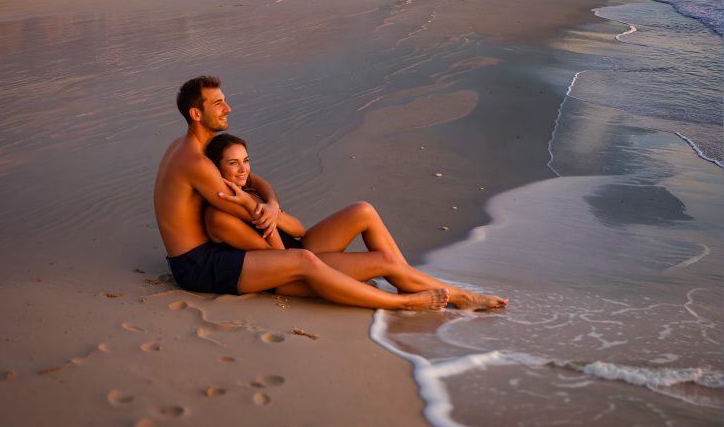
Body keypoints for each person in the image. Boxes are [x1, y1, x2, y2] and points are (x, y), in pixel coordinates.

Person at [154, 76, 506, 311]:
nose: (228, 108)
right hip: (200, 264)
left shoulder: (196, 148)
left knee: (363, 210)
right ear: (196, 113)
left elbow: (252, 184)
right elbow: (248, 212)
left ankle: (409, 281)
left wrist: (270, 202)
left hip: (256, 243)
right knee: (305, 259)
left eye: (225, 101)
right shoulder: (196, 163)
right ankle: (419, 299)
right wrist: (258, 207)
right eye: (218, 104)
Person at [205, 131, 507, 310]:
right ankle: (461, 297)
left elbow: (298, 230)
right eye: (233, 163)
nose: (243, 169)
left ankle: (407, 281)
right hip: (291, 273)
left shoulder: (248, 190)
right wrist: (257, 214)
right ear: (216, 170)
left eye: (245, 161)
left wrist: (270, 209)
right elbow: (280, 258)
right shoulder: (219, 217)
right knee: (385, 260)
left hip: (299, 247)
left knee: (363, 209)